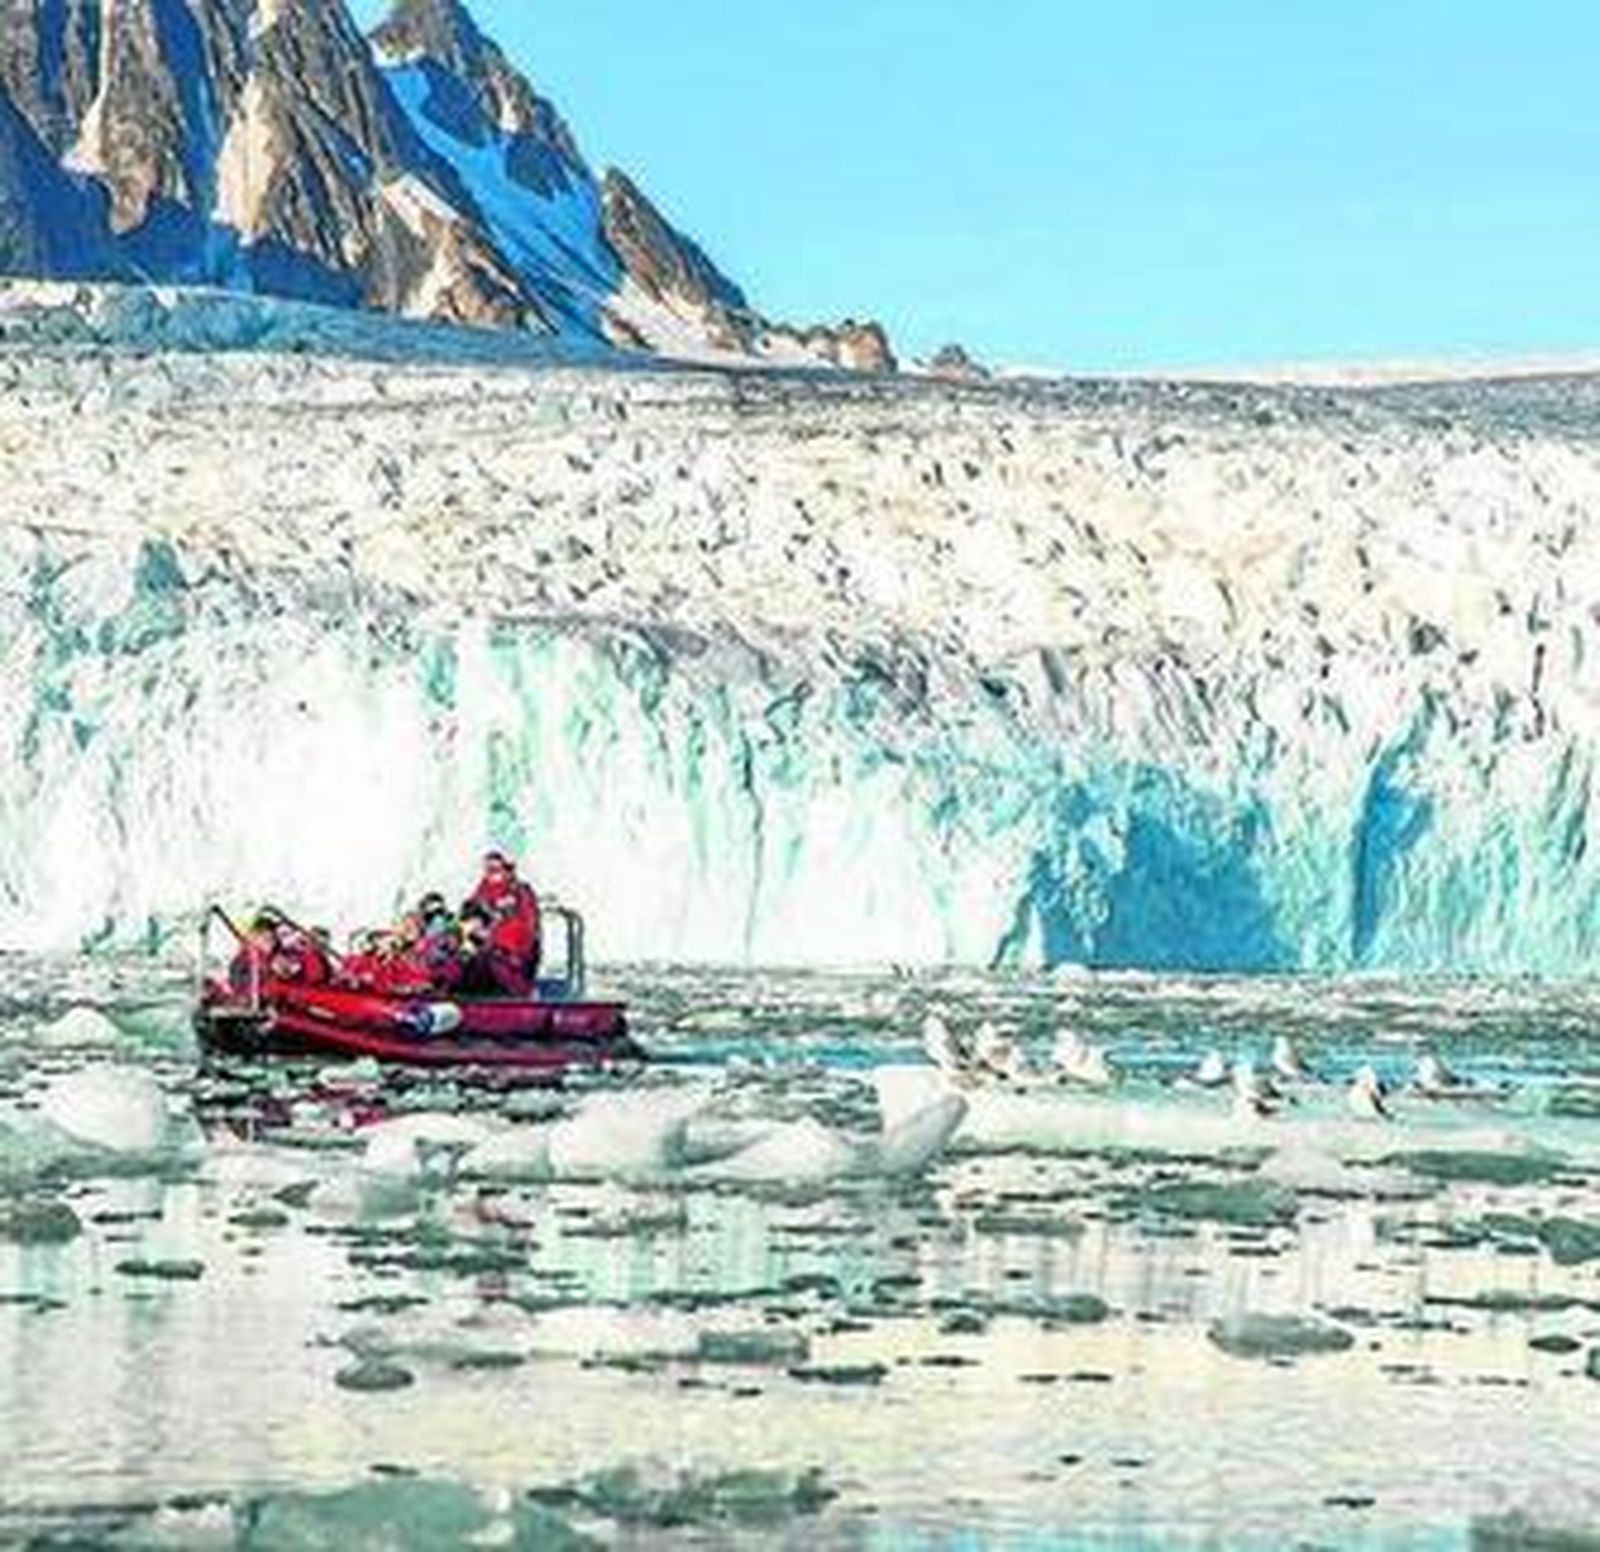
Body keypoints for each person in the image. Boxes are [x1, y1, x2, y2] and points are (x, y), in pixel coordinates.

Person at [469, 851, 542, 994]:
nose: (491, 875)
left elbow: (526, 931)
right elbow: (470, 913)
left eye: (496, 870)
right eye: (488, 870)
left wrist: (491, 937)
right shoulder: (483, 890)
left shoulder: (520, 893)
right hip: (486, 955)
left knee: (492, 961)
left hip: (512, 960)